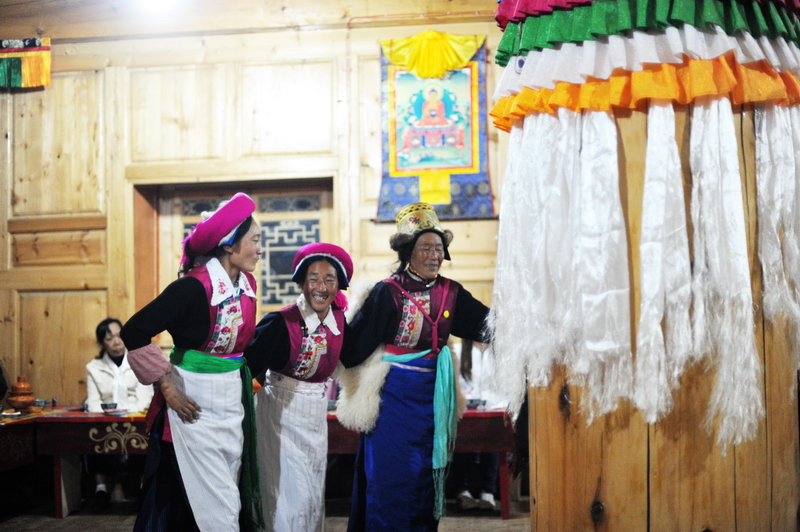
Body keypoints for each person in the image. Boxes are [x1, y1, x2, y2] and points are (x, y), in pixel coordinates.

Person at [336, 202, 491, 532]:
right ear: (408, 252)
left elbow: (487, 325)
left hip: (435, 400)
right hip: (393, 401)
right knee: (390, 476)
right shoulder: (387, 292)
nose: (435, 255)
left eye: (439, 248)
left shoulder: (451, 293)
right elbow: (353, 348)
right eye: (426, 248)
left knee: (425, 478)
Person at [120, 192, 265, 532]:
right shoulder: (191, 288)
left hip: (230, 405)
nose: (260, 249)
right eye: (255, 240)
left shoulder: (247, 285)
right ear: (229, 244)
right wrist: (168, 388)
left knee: (227, 492)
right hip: (192, 403)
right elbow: (134, 331)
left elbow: (241, 347)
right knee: (207, 501)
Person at [244, 242, 362, 531]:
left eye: (329, 280)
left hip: (315, 416)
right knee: (285, 493)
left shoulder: (339, 324)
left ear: (339, 286)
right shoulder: (279, 322)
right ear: (301, 283)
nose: (321, 287)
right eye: (313, 278)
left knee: (311, 493)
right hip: (278, 417)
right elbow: (247, 364)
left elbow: (356, 356)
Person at [85, 317, 154, 512]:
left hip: (136, 417)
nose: (116, 342)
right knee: (93, 435)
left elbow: (145, 399)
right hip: (105, 418)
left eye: (119, 336)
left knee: (142, 435)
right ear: (102, 343)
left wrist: (125, 413)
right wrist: (111, 413)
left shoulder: (138, 361)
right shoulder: (94, 367)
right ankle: (101, 490)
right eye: (109, 338)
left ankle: (143, 490)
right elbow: (93, 403)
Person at [451, 338, 504, 512]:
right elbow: (455, 384)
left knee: (493, 440)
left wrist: (497, 404)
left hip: (492, 409)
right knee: (461, 440)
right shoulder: (458, 350)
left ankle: (488, 492)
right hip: (465, 410)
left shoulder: (499, 352)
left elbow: (504, 387)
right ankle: (463, 491)